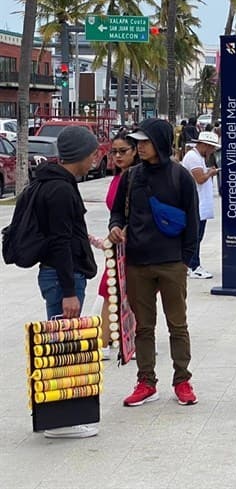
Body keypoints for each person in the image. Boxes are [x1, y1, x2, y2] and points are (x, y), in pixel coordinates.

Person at [108, 118, 200, 407]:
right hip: (138, 262)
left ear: (159, 142)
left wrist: (186, 259)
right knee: (143, 327)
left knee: (177, 324)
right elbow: (117, 213)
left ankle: (182, 379)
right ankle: (146, 381)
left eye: (144, 142)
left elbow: (193, 220)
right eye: (138, 142)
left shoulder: (180, 176)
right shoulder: (131, 176)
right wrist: (115, 226)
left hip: (171, 261)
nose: (140, 147)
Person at [33, 126, 100, 438]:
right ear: (82, 155)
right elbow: (59, 240)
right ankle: (60, 421)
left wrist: (87, 239)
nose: (95, 158)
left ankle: (54, 414)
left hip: (62, 272)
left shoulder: (55, 183)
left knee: (60, 343)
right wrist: (70, 292)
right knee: (63, 347)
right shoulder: (60, 189)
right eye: (92, 153)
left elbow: (62, 231)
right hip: (64, 275)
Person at [94, 131, 140, 359]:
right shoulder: (118, 177)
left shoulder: (136, 177)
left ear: (135, 151)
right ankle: (111, 338)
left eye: (123, 151)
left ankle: (120, 338)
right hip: (117, 242)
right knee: (110, 289)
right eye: (114, 152)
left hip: (134, 243)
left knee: (128, 291)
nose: (117, 156)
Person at [181, 131, 220, 279]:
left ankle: (193, 264)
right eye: (211, 149)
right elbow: (200, 179)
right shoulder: (193, 158)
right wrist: (210, 173)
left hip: (201, 204)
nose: (212, 152)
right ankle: (193, 265)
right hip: (196, 204)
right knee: (195, 237)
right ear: (204, 145)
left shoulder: (199, 158)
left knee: (198, 236)